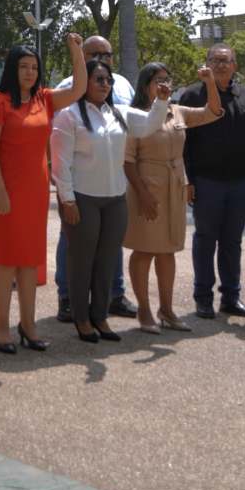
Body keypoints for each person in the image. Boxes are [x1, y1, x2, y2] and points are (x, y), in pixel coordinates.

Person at [52, 58, 173, 342]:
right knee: (82, 261)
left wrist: (161, 102)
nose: (105, 85)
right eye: (98, 79)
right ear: (84, 83)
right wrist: (67, 200)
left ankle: (100, 317)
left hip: (115, 199)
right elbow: (60, 163)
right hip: (83, 199)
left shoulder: (119, 112)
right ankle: (81, 318)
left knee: (107, 260)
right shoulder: (69, 115)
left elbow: (150, 125)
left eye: (108, 80)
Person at [0, 34, 86, 353]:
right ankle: (1, 325)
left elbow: (79, 88)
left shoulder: (44, 99)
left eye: (34, 67)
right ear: (12, 69)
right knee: (4, 261)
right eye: (24, 66)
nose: (30, 72)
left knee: (29, 261)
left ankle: (28, 324)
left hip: (35, 192)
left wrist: (75, 50)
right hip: (6, 191)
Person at [123, 62, 224, 332]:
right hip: (148, 187)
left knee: (168, 250)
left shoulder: (177, 112)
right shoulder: (136, 115)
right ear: (146, 85)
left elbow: (213, 112)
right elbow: (128, 161)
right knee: (144, 250)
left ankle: (166, 310)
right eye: (158, 80)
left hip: (174, 186)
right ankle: (144, 310)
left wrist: (210, 82)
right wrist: (142, 193)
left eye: (168, 79)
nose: (164, 84)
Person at [54, 35, 135, 324]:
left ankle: (114, 295)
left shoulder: (122, 84)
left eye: (107, 54)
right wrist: (65, 191)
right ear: (82, 57)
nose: (101, 60)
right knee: (74, 243)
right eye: (94, 54)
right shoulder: (68, 87)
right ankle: (67, 297)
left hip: (113, 181)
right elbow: (58, 141)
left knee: (110, 243)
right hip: (81, 185)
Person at [177, 46, 245, 319]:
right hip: (206, 181)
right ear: (207, 64)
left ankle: (231, 297)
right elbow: (184, 143)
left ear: (235, 65)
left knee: (232, 242)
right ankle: (203, 298)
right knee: (205, 239)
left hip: (240, 182)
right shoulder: (192, 95)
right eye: (215, 60)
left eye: (226, 61)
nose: (221, 65)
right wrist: (188, 179)